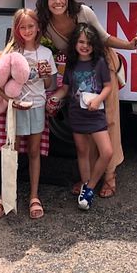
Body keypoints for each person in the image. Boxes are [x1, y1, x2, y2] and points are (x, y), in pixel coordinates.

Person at [35, 0, 137, 197]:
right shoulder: (43, 22)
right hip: (78, 72)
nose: (58, 2)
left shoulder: (83, 12)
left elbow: (104, 38)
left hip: (103, 67)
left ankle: (110, 176)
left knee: (108, 122)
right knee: (85, 125)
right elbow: (24, 39)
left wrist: (130, 46)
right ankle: (89, 179)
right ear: (45, 1)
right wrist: (2, 56)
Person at [0, 8, 57, 221]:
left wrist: (45, 76)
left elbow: (50, 84)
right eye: (22, 27)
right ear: (16, 29)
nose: (27, 30)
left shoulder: (46, 53)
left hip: (36, 106)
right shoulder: (9, 52)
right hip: (14, 109)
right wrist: (7, 99)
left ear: (38, 28)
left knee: (34, 152)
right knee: (12, 151)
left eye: (31, 26)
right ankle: (5, 196)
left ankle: (34, 196)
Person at [48, 24, 112, 210]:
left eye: (89, 43)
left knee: (106, 152)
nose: (85, 46)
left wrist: (99, 98)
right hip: (77, 114)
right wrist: (54, 98)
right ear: (75, 43)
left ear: (95, 45)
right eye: (81, 42)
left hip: (96, 115)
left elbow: (107, 86)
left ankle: (90, 187)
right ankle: (85, 185)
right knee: (82, 152)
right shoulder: (72, 63)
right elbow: (66, 88)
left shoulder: (99, 62)